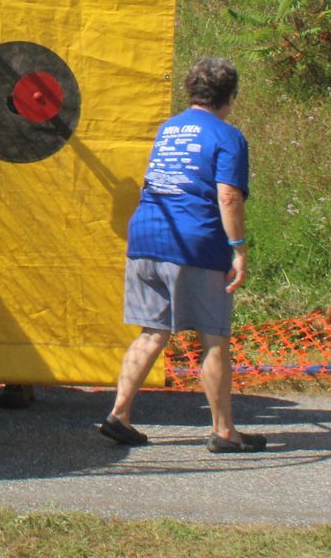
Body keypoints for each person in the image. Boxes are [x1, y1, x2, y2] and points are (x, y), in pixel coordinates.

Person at [98, 55, 266, 453]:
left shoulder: (168, 129)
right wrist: (238, 250)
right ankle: (225, 432)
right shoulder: (227, 136)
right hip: (194, 241)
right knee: (214, 338)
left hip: (146, 236)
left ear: (190, 91)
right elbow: (227, 195)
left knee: (153, 331)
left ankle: (119, 415)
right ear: (231, 96)